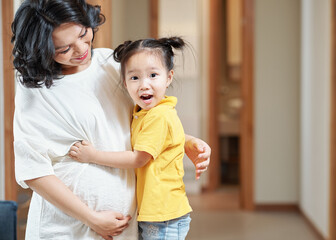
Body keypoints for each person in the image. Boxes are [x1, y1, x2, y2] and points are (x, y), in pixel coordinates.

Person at [11, 1, 211, 240]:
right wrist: (90, 217)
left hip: (123, 227)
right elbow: (33, 169)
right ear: (41, 50)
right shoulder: (35, 89)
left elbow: (137, 122)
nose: (81, 49)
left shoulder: (112, 63)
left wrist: (183, 141)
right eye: (64, 49)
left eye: (84, 34)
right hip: (65, 229)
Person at [69, 37, 195, 240]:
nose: (144, 85)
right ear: (125, 83)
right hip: (158, 214)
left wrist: (92, 155)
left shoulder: (158, 115)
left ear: (169, 77)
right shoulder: (142, 113)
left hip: (164, 216)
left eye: (153, 75)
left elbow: (138, 158)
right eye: (134, 78)